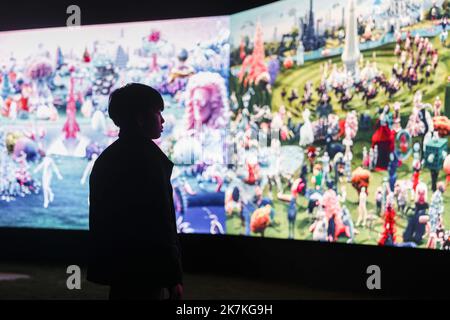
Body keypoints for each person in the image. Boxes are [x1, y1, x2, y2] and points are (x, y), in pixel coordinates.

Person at [87, 83, 183, 300]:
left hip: (119, 268)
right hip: (147, 270)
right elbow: (161, 222)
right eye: (158, 112)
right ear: (140, 119)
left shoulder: (107, 159)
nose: (163, 119)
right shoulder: (150, 160)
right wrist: (173, 276)